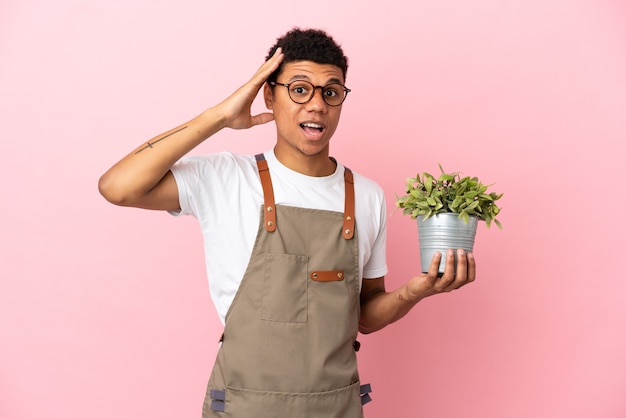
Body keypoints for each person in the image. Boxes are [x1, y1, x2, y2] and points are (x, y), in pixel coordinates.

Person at [98, 27, 475, 418]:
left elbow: (364, 316)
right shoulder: (226, 178)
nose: (317, 105)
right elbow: (117, 186)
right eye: (299, 89)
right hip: (244, 407)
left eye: (331, 91)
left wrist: (414, 292)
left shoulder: (366, 195)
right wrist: (221, 116)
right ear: (268, 94)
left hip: (336, 408)